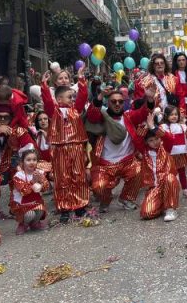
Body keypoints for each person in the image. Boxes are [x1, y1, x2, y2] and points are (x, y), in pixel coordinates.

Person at [86, 82, 152, 213]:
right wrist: (100, 96)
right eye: (113, 101)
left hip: (127, 161)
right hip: (104, 164)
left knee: (140, 170)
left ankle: (126, 198)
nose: (117, 104)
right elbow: (92, 115)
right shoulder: (102, 117)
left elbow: (144, 112)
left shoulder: (128, 116)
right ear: (108, 103)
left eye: (120, 102)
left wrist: (149, 98)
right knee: (99, 186)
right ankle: (105, 200)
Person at [41, 68, 90, 222]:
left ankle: (80, 206)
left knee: (78, 175)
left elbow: (83, 96)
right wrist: (44, 84)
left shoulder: (76, 110)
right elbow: (48, 101)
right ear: (59, 99)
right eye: (69, 97)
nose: (72, 99)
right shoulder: (53, 111)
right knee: (62, 178)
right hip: (60, 148)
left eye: (72, 97)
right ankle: (64, 207)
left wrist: (81, 79)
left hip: (75, 146)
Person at [131, 111, 181, 221]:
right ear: (146, 142)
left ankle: (171, 209)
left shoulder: (165, 146)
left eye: (156, 139)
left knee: (170, 178)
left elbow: (169, 138)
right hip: (154, 187)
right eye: (151, 140)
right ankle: (162, 203)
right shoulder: (144, 151)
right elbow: (136, 139)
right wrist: (145, 126)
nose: (155, 142)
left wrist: (153, 127)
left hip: (168, 182)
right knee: (146, 213)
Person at [10, 149, 51, 232]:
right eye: (28, 160)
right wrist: (33, 181)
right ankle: (23, 224)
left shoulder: (39, 173)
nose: (32, 162)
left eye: (34, 160)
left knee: (40, 210)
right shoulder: (18, 176)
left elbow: (46, 188)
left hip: (35, 202)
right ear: (22, 162)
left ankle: (35, 224)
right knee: (30, 214)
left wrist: (42, 181)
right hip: (21, 204)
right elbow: (23, 191)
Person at [161, 104, 187, 199]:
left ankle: (185, 189)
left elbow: (186, 137)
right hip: (169, 154)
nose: (174, 116)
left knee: (182, 171)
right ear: (166, 116)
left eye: (176, 114)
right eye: (171, 114)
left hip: (180, 153)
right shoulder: (164, 127)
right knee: (170, 173)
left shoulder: (182, 126)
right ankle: (171, 189)